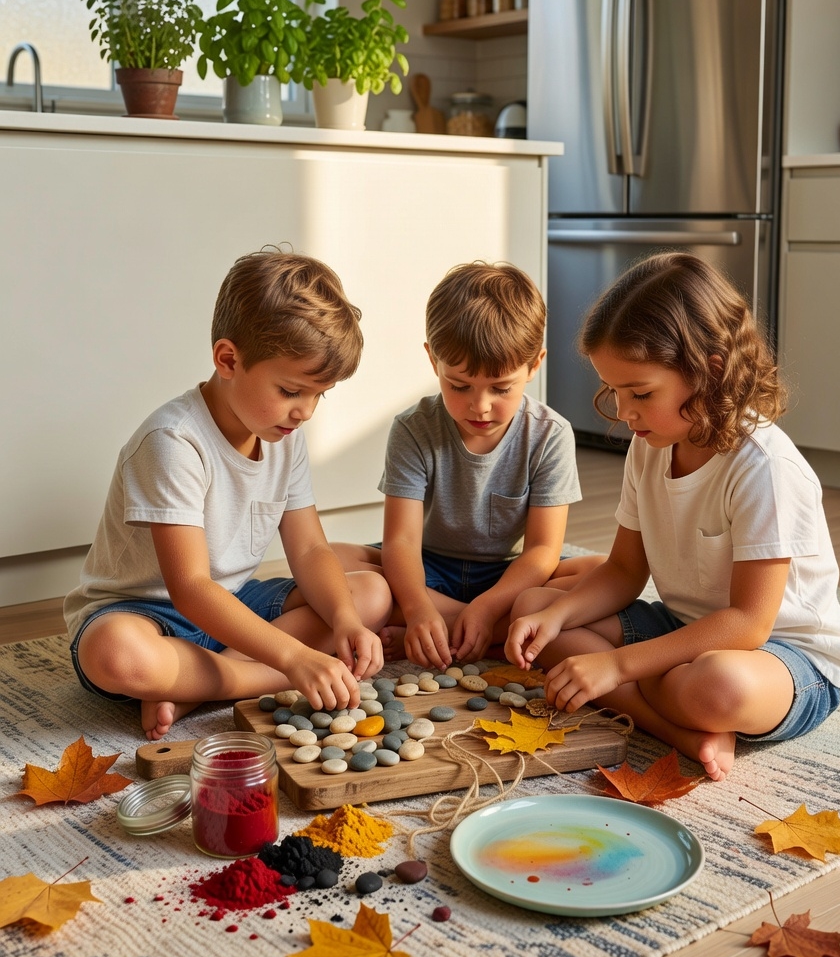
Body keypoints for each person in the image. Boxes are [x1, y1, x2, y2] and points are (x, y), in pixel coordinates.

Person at [506, 251, 840, 781]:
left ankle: (664, 700)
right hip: (686, 630)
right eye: (615, 391)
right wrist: (556, 618)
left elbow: (748, 622)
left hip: (783, 656)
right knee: (535, 609)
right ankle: (679, 729)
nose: (624, 412)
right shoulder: (649, 445)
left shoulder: (763, 466)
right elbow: (624, 570)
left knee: (716, 686)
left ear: (710, 370)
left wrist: (618, 666)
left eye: (641, 393)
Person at [64, 250, 392, 740]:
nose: (305, 411)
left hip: (235, 602)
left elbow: (309, 549)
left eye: (318, 395)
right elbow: (191, 587)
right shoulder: (173, 441)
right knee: (116, 655)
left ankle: (195, 685)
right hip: (147, 612)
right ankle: (249, 676)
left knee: (371, 594)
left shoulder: (284, 435)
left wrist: (344, 621)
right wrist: (294, 658)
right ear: (228, 360)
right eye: (290, 391)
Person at [333, 261, 603, 669]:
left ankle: (449, 630)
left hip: (509, 578)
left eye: (501, 388)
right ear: (433, 360)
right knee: (334, 560)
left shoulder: (551, 434)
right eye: (459, 386)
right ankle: (480, 634)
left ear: (534, 365)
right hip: (429, 569)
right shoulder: (413, 428)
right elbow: (401, 542)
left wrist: (489, 605)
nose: (480, 406)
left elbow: (542, 550)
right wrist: (419, 606)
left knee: (600, 571)